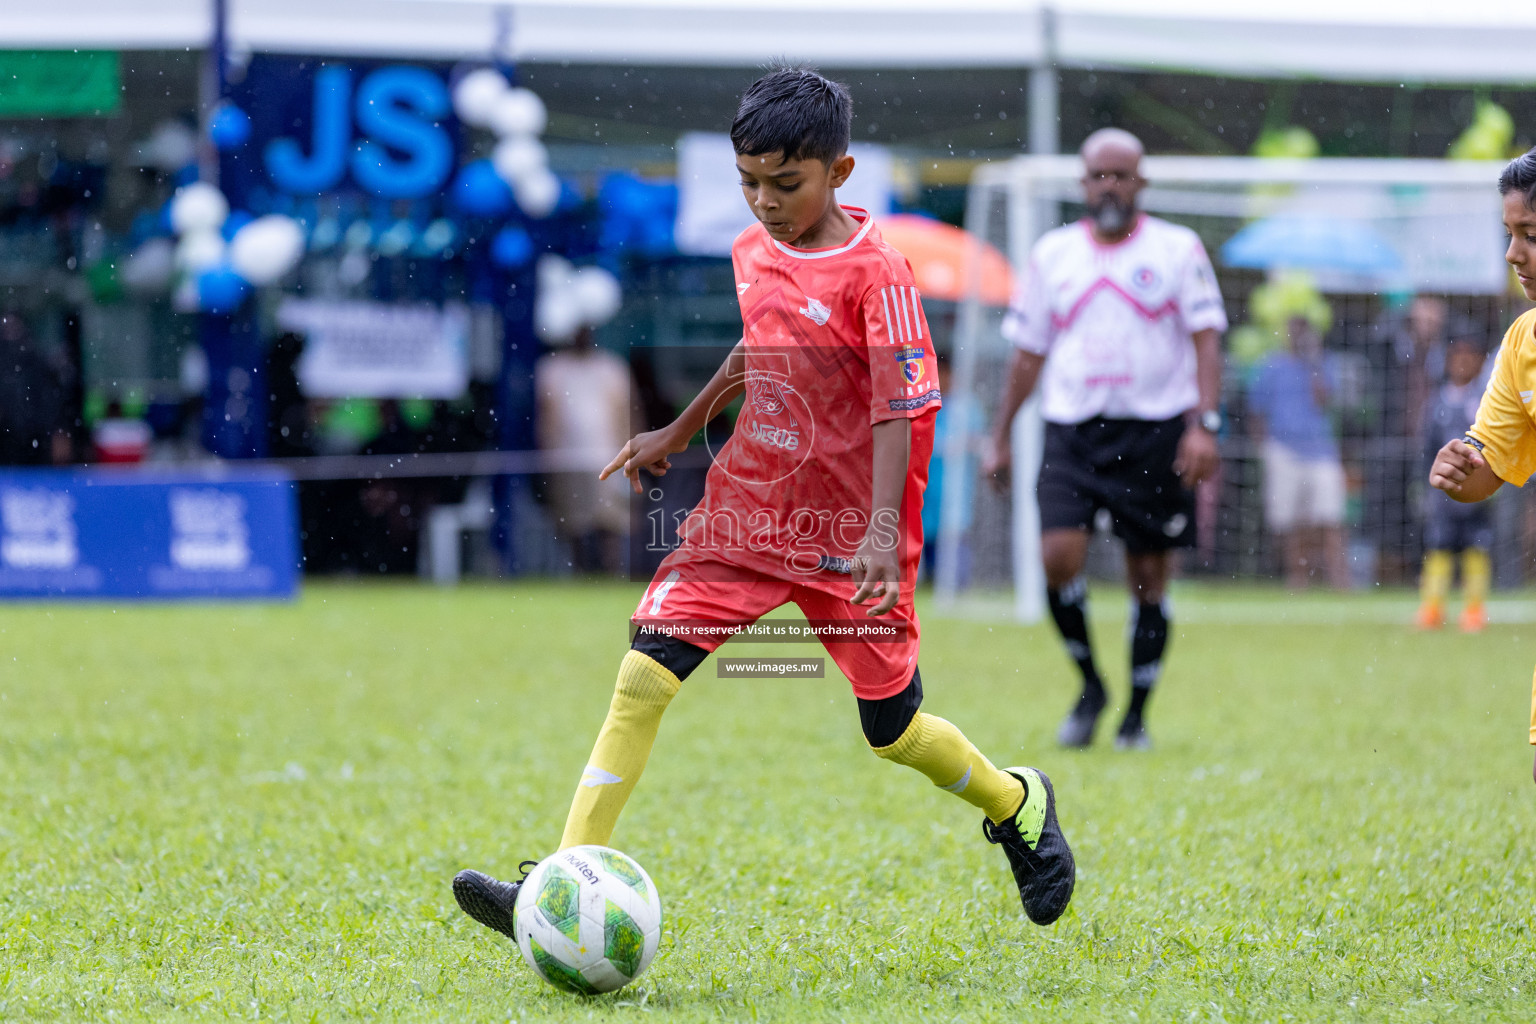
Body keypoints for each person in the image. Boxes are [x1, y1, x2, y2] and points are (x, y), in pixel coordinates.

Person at [451, 67, 1075, 941]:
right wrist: (679, 428)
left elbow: (904, 408)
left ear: (840, 173)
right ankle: (557, 882)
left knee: (893, 733)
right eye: (749, 183)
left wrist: (881, 533)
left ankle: (1017, 804)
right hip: (747, 512)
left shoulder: (880, 275)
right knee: (643, 675)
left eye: (786, 184)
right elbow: (761, 345)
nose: (766, 203)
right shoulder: (753, 251)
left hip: (850, 535)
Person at [982, 128, 1225, 750]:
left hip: (1156, 433)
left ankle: (1137, 714)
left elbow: (1205, 338)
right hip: (1071, 432)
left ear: (1140, 183)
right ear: (1083, 184)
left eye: (1123, 175)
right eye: (1100, 175)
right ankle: (1091, 684)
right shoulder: (1053, 255)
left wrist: (1203, 424)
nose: (1110, 185)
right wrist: (1000, 434)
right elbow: (1028, 353)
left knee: (1150, 575)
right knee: (1056, 559)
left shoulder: (1178, 248)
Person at [1428, 146, 1536, 784]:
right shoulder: (1522, 341)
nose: (1513, 254)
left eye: (1531, 235)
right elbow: (1490, 467)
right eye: (1510, 234)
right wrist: (1462, 472)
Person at [1246, 316, 1350, 589]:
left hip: (1320, 451)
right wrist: (1264, 448)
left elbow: (1325, 400)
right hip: (1283, 450)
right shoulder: (1272, 365)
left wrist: (1313, 364)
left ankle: (1340, 581)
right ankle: (1298, 580)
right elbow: (1255, 411)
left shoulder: (1324, 363)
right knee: (1292, 523)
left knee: (1331, 518)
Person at [534, 325, 635, 574]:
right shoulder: (552, 369)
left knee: (611, 524)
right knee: (574, 527)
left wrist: (633, 455)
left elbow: (627, 413)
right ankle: (580, 574)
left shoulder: (612, 367)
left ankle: (612, 574)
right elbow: (546, 418)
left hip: (610, 458)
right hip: (567, 460)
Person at [1417, 336, 1494, 632]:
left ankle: (1474, 610)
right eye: (1457, 355)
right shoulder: (1437, 403)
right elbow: (1426, 449)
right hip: (1443, 495)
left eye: (1470, 355)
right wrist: (1425, 485)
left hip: (1478, 492)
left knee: (1477, 547)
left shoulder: (1487, 400)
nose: (1463, 362)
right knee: (1439, 545)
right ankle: (1432, 608)